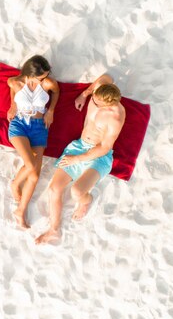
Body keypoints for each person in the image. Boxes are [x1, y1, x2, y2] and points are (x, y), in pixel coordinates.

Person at [35, 74, 125, 245]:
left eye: (98, 103)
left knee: (77, 192)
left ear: (110, 104)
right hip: (79, 145)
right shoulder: (100, 90)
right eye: (94, 99)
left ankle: (87, 201)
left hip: (98, 155)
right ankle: (54, 230)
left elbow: (105, 147)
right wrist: (85, 94)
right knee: (54, 190)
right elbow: (106, 77)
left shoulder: (116, 117)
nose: (94, 103)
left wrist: (77, 160)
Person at [7, 55, 60, 229]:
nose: (45, 78)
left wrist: (51, 110)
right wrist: (13, 106)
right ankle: (15, 185)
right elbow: (13, 92)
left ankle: (20, 211)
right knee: (30, 166)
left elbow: (57, 91)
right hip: (19, 125)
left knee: (35, 175)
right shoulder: (14, 82)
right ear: (30, 73)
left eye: (46, 74)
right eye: (41, 76)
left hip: (39, 128)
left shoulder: (48, 84)